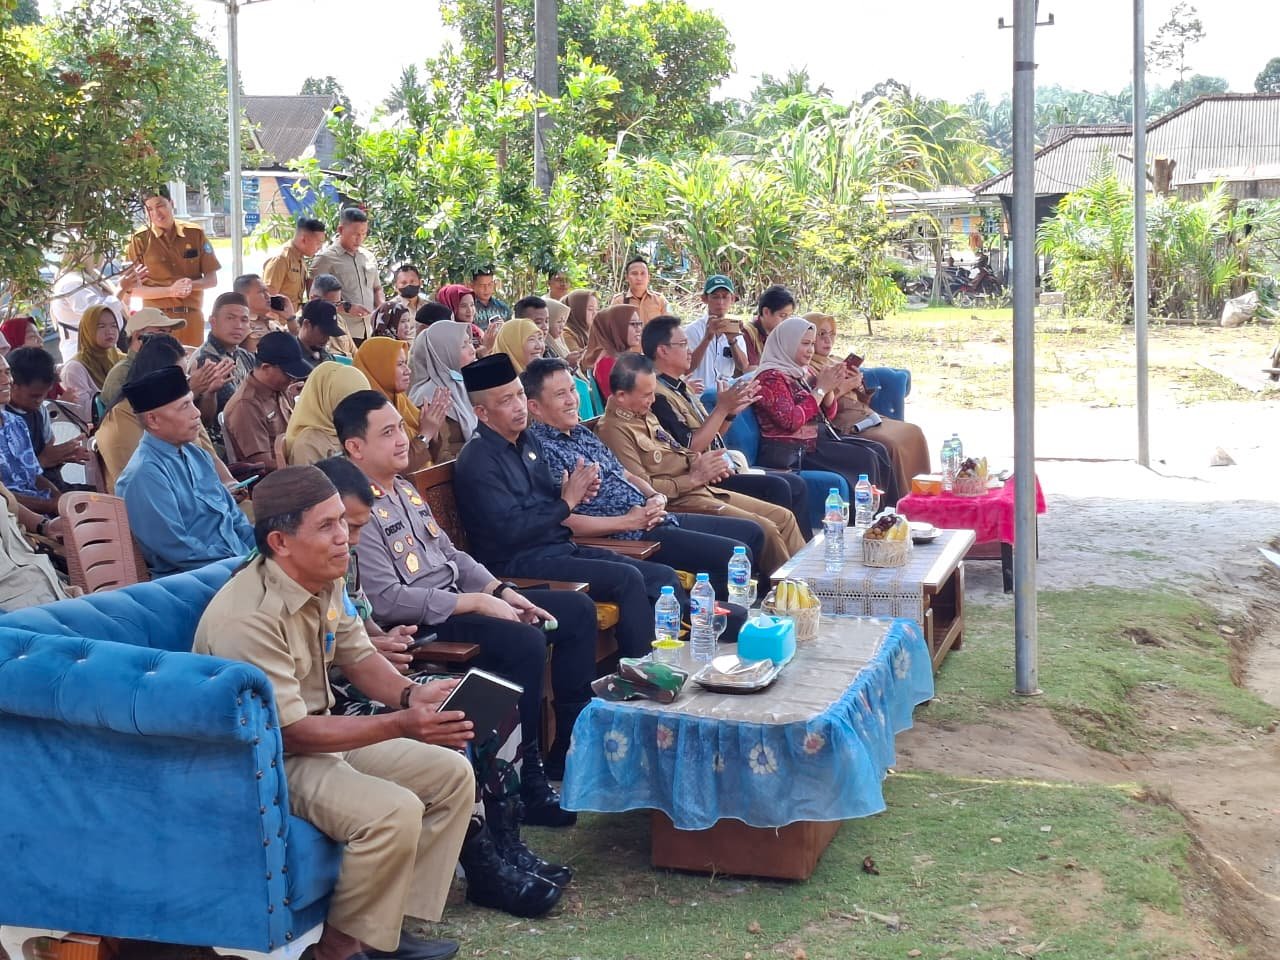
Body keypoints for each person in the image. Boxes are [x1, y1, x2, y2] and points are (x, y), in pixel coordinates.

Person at [193, 465, 475, 960]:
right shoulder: (248, 616)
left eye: (342, 520)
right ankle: (337, 950)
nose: (344, 536)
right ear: (280, 542)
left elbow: (358, 654)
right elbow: (291, 733)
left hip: (318, 739)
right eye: (327, 526)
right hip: (264, 759)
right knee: (393, 811)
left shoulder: (324, 577)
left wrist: (412, 696)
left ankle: (383, 932)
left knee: (451, 775)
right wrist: (401, 724)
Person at [312, 455, 569, 918]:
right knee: (450, 724)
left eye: (353, 527)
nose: (350, 538)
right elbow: (322, 663)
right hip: (337, 701)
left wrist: (382, 643)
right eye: (340, 525)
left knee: (490, 699)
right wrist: (371, 657)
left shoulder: (339, 561)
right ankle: (484, 868)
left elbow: (359, 627)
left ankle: (508, 842)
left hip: (377, 678)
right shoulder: (281, 582)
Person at [337, 389, 599, 816]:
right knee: (523, 640)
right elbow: (386, 600)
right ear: (355, 447)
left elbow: (453, 556)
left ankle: (565, 745)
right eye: (387, 433)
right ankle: (526, 779)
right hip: (423, 624)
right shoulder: (353, 508)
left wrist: (501, 592)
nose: (402, 439)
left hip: (460, 600)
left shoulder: (403, 489)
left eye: (400, 428)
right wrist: (474, 604)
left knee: (574, 612)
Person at [453, 354, 684, 697]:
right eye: (506, 401)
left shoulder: (527, 441)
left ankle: (651, 671)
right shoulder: (477, 461)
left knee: (655, 575)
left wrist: (575, 491)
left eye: (519, 395)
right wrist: (567, 502)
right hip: (519, 563)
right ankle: (637, 686)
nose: (518, 406)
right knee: (626, 579)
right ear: (482, 413)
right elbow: (510, 532)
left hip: (558, 548)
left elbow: (549, 498)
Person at [524, 358, 764, 599]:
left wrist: (654, 496)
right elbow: (564, 521)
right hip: (631, 535)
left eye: (572, 390)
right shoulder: (541, 450)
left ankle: (731, 607)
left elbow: (625, 474)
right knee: (733, 553)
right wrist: (629, 521)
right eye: (560, 394)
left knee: (752, 532)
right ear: (535, 407)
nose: (572, 400)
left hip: (654, 514)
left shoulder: (580, 433)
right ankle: (715, 616)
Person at [598, 354, 805, 581]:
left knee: (784, 517)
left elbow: (676, 451)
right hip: (679, 501)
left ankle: (807, 582)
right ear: (621, 396)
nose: (653, 400)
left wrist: (704, 464)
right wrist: (693, 479)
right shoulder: (613, 430)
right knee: (765, 529)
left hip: (700, 488)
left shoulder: (643, 415)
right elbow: (641, 488)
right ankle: (786, 590)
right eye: (646, 395)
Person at [643, 315, 813, 539]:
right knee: (778, 487)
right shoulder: (658, 395)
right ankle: (792, 554)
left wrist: (730, 413)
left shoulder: (681, 387)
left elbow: (712, 437)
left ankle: (805, 551)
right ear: (662, 350)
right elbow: (690, 446)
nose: (690, 350)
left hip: (717, 467)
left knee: (795, 485)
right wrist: (722, 409)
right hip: (699, 477)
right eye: (683, 344)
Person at [115, 365, 254, 576]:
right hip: (197, 578)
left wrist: (261, 551)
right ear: (153, 420)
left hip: (237, 563)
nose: (197, 413)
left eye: (192, 403)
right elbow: (179, 550)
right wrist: (241, 565)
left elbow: (234, 518)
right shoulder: (143, 475)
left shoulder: (197, 455)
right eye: (185, 406)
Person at [751, 315, 898, 504]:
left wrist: (829, 388)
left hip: (815, 441)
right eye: (805, 344)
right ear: (787, 343)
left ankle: (889, 513)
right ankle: (864, 517)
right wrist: (821, 389)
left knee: (878, 450)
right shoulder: (770, 378)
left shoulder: (799, 372)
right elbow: (791, 420)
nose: (810, 350)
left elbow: (827, 414)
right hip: (793, 451)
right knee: (865, 458)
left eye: (812, 344)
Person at [807, 312, 930, 496]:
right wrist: (845, 386)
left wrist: (858, 384)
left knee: (913, 432)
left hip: (868, 415)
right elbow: (820, 406)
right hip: (843, 423)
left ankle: (924, 495)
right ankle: (899, 500)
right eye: (821, 334)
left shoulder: (836, 360)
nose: (828, 340)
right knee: (892, 444)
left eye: (832, 334)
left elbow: (862, 399)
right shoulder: (809, 366)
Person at [96, 334, 237, 495]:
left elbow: (210, 457)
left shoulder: (183, 411)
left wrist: (231, 485)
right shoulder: (121, 419)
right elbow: (147, 489)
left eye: (185, 377)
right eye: (179, 378)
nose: (183, 384)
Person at [124, 187, 220, 349]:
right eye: (149, 209)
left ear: (171, 203)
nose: (156, 213)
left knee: (191, 361)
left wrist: (189, 285)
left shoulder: (194, 233)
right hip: (155, 322)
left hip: (191, 318)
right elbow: (132, 290)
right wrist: (170, 291)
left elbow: (212, 280)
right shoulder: (139, 239)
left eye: (160, 205)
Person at [352, 337, 447, 473]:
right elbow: (398, 470)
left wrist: (433, 432)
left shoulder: (402, 401)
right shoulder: (368, 413)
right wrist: (426, 434)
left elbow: (432, 457)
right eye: (400, 364)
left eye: (406, 363)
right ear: (380, 368)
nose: (408, 370)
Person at [223, 331, 313, 470]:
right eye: (288, 374)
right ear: (266, 368)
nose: (292, 379)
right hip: (277, 477)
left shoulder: (279, 389)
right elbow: (262, 464)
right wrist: (307, 466)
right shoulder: (246, 405)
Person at [6, 347, 91, 489]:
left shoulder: (40, 410)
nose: (40, 400)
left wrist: (64, 455)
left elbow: (48, 448)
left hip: (51, 486)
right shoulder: (4, 419)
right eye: (34, 396)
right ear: (12, 384)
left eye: (45, 394)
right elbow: (9, 480)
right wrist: (42, 460)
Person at [407, 320, 476, 463]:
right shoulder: (430, 397)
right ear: (444, 353)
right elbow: (440, 456)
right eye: (463, 345)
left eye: (470, 342)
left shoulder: (461, 384)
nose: (473, 350)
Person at [0, 355, 60, 516]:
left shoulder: (16, 422)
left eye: (7, 372)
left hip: (42, 511)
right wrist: (50, 507)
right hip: (11, 518)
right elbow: (4, 498)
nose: (6, 380)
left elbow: (34, 476)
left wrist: (59, 498)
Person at [311, 208, 381, 344]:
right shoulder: (325, 259)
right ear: (341, 230)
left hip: (369, 330)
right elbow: (314, 300)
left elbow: (377, 288)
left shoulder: (368, 257)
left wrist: (381, 306)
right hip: (341, 333)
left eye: (363, 234)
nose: (359, 239)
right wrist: (347, 308)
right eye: (355, 234)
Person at [99, 306, 190, 409]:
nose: (167, 339)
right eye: (162, 332)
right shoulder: (122, 373)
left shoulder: (158, 368)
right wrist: (192, 389)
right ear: (138, 337)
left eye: (169, 333)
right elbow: (131, 414)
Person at [189, 292, 255, 432]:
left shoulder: (245, 356)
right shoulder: (205, 359)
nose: (238, 325)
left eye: (244, 320)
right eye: (230, 318)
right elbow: (208, 420)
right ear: (213, 321)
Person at [283, 361, 372, 465]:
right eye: (352, 404)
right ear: (328, 400)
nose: (360, 410)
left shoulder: (354, 430)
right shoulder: (308, 446)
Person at [59, 304, 125, 424]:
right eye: (101, 326)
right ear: (88, 330)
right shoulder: (74, 369)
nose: (110, 331)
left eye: (114, 326)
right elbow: (82, 413)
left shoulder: (117, 356)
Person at [685, 275, 748, 387]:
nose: (720, 302)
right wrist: (707, 338)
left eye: (725, 297)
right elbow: (687, 368)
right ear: (704, 299)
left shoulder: (734, 328)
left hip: (726, 390)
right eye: (715, 297)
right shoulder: (693, 330)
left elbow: (743, 366)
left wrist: (732, 341)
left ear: (732, 299)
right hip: (701, 391)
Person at [263, 216, 327, 311]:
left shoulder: (300, 259)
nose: (319, 248)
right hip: (279, 319)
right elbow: (268, 299)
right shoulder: (281, 259)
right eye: (318, 243)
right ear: (303, 239)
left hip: (293, 317)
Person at [582, 304, 641, 401]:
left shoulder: (619, 357)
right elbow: (621, 402)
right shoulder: (607, 361)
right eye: (633, 324)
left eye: (639, 323)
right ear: (615, 327)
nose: (639, 329)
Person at [233, 273, 295, 351]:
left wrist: (290, 318)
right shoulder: (240, 325)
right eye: (261, 292)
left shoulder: (273, 323)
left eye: (267, 291)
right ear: (244, 297)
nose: (268, 296)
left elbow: (293, 346)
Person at [741, 284, 797, 370]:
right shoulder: (747, 333)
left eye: (789, 316)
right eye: (782, 315)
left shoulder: (783, 333)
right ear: (766, 312)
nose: (787, 321)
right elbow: (749, 369)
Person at [311, 273, 359, 357]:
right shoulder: (301, 325)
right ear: (314, 299)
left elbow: (356, 354)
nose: (334, 309)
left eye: (337, 304)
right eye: (330, 304)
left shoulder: (339, 320)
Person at [608, 256, 668, 323]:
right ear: (626, 277)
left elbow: (670, 326)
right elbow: (611, 326)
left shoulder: (660, 300)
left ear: (649, 277)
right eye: (634, 273)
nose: (639, 278)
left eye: (643, 273)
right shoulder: (619, 301)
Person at [298, 299, 348, 366]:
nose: (327, 339)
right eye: (323, 332)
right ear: (306, 324)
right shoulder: (290, 357)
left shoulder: (328, 358)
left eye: (329, 334)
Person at [562, 289, 598, 357]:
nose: (595, 313)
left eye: (596, 309)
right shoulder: (566, 334)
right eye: (590, 309)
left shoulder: (592, 331)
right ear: (577, 310)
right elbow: (581, 359)